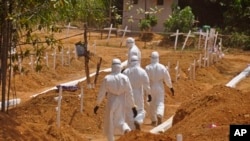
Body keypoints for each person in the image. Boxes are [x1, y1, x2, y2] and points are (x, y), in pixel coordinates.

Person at [93, 58, 137, 141]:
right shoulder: (125, 78)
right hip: (121, 100)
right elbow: (129, 93)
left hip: (111, 100)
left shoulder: (107, 78)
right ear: (120, 67)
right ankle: (126, 129)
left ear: (112, 67)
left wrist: (97, 105)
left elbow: (101, 93)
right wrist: (133, 106)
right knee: (121, 121)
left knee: (110, 122)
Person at [145, 51, 174, 126]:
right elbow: (167, 78)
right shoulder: (162, 67)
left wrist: (147, 91)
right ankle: (159, 114)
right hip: (160, 86)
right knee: (160, 102)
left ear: (151, 58)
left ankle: (154, 120)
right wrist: (170, 87)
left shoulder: (147, 68)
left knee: (151, 104)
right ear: (158, 58)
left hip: (151, 86)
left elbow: (146, 80)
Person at [123, 55, 151, 130]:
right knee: (141, 111)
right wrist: (149, 94)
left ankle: (132, 131)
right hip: (138, 93)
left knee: (129, 112)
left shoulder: (126, 72)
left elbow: (122, 84)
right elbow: (146, 84)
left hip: (128, 94)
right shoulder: (142, 71)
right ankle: (138, 121)